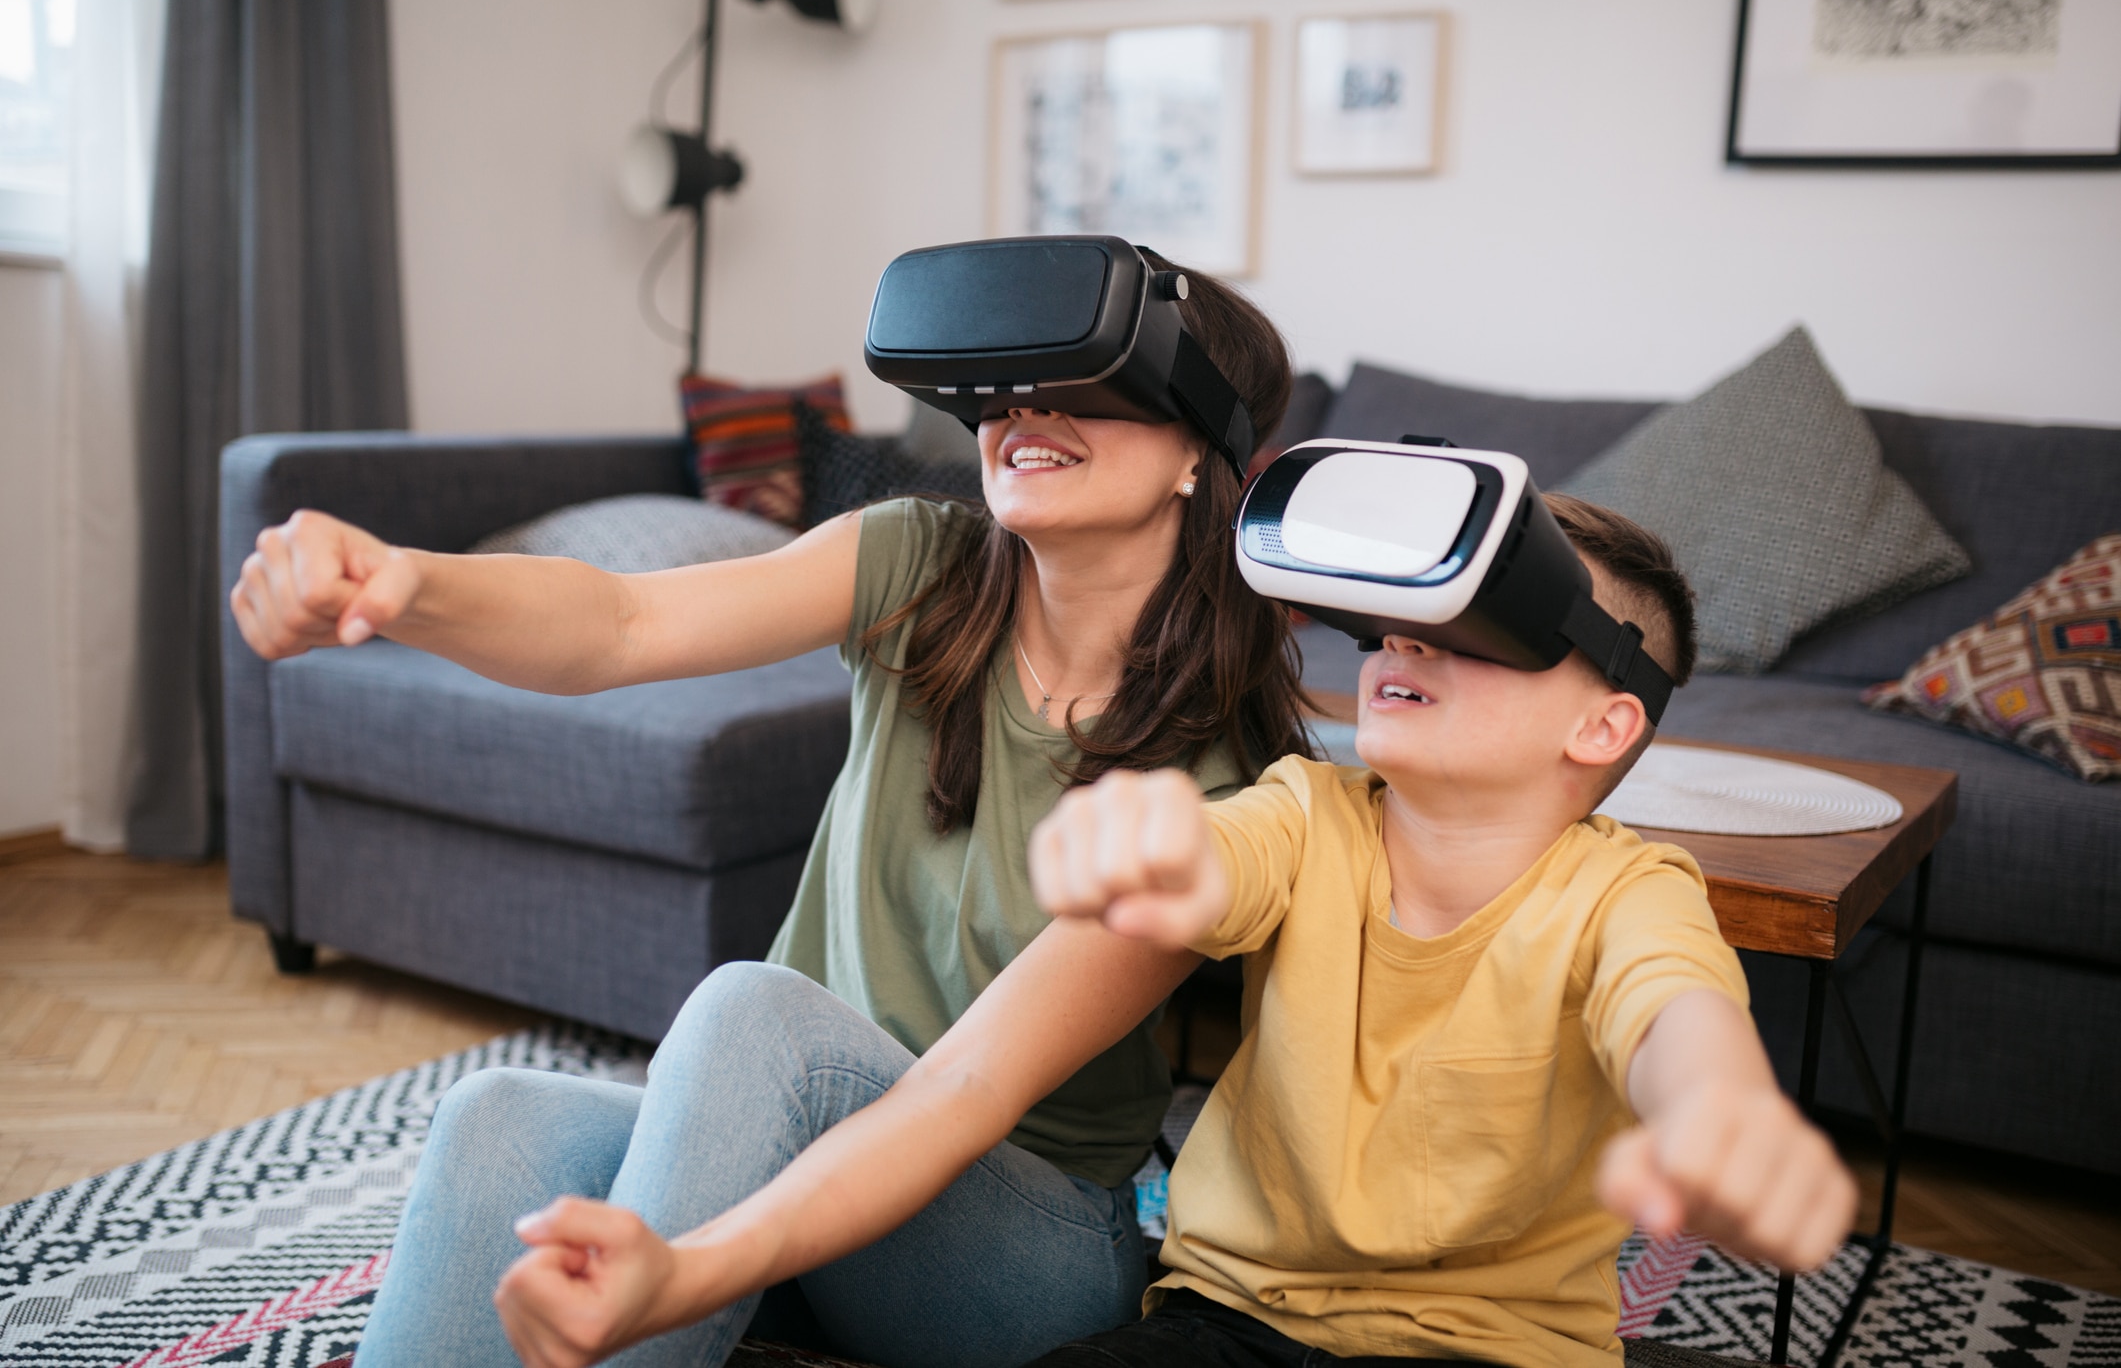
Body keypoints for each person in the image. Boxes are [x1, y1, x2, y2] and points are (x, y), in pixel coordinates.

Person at [226, 255, 1313, 1368]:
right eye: (1007, 384)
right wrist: (407, 586)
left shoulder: (1216, 796)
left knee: (760, 1016)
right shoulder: (918, 564)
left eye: (1085, 382)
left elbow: (964, 1090)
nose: (1025, 409)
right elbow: (621, 624)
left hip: (1018, 1246)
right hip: (809, 1179)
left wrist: (690, 1264)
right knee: (496, 1116)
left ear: (1198, 450)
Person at [478, 497, 1857, 1368]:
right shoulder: (1306, 811)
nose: (1407, 640)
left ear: (1604, 721)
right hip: (1226, 1324)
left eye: (1484, 621)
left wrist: (1720, 1110)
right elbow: (1210, 857)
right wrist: (1146, 843)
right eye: (1404, 610)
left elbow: (1675, 1014)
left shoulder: (1629, 893)